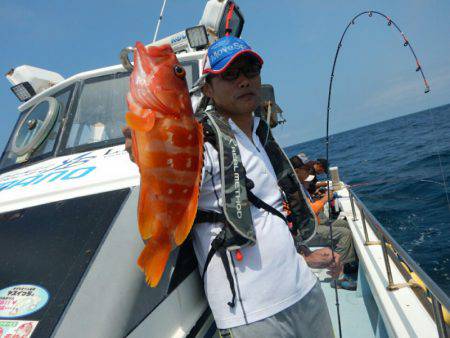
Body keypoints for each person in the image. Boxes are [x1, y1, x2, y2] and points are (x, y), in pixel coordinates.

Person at [123, 36, 338, 337]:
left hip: (305, 290)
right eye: (230, 75)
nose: (244, 81)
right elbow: (172, 167)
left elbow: (271, 212)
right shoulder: (203, 141)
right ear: (208, 89)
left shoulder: (262, 134)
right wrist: (145, 148)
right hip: (250, 314)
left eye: (250, 70)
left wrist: (305, 255)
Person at [294, 166, 358, 290]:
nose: (311, 182)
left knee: (344, 224)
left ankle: (348, 262)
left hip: (315, 224)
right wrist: (325, 199)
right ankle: (338, 277)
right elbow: (311, 210)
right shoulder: (297, 194)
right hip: (308, 232)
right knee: (344, 234)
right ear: (301, 181)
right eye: (308, 180)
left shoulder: (304, 189)